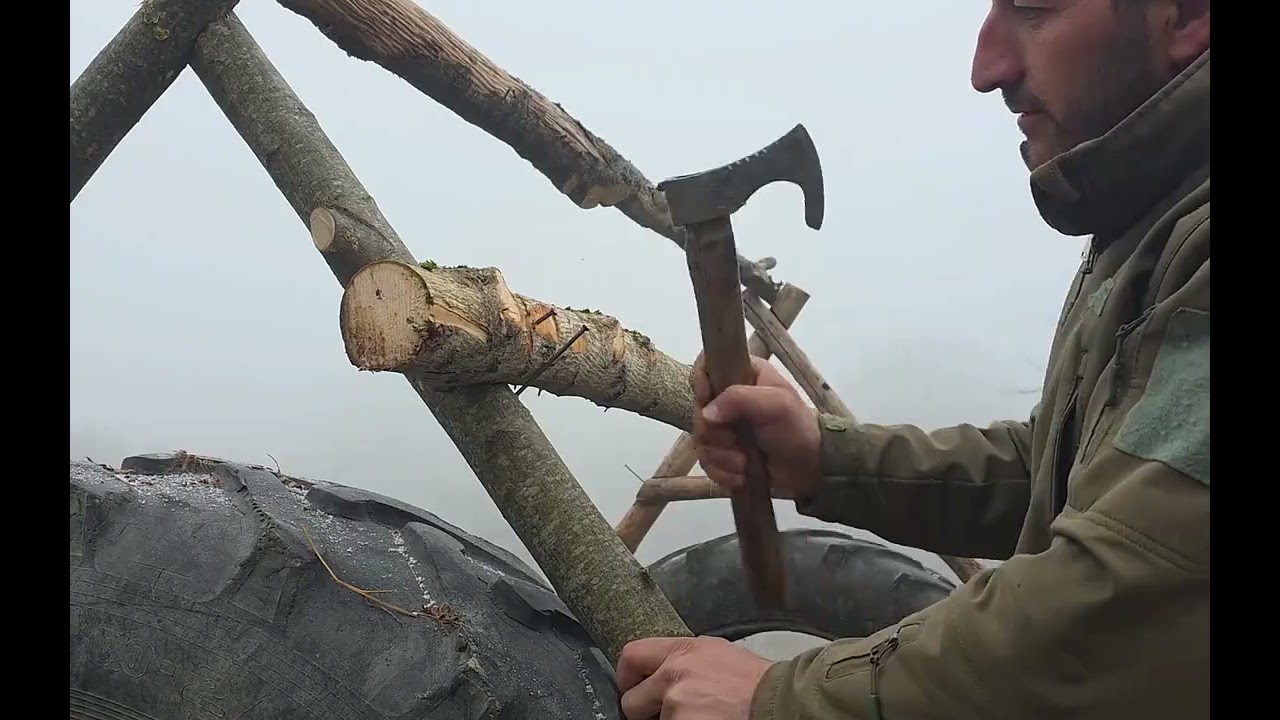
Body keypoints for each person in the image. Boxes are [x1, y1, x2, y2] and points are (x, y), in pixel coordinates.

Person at [616, 1, 1210, 718]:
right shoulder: (1147, 226)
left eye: (1033, 6)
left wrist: (781, 699)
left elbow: (1133, 601)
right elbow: (1062, 471)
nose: (985, 67)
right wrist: (828, 459)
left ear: (1188, 14)